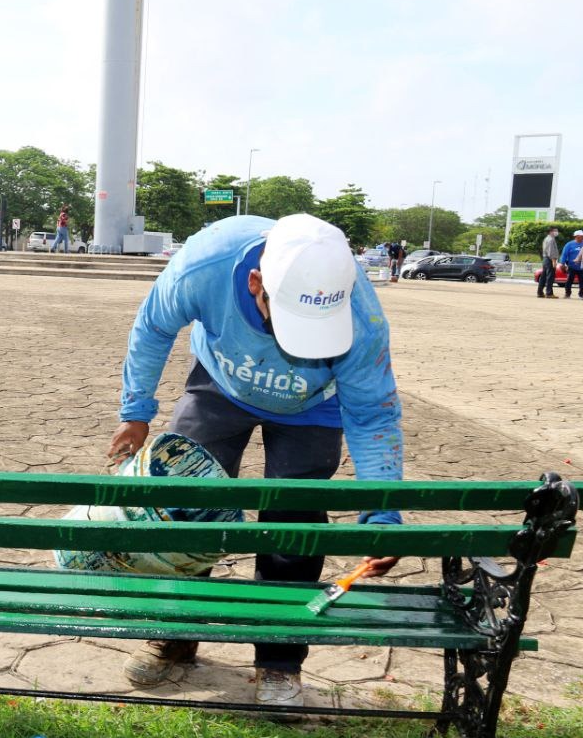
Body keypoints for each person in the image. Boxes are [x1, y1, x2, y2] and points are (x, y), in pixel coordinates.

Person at [106, 213, 403, 712]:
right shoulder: (204, 265)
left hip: (315, 406)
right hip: (220, 385)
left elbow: (373, 415)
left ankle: (279, 661)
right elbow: (153, 327)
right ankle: (173, 635)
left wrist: (381, 513)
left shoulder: (362, 316)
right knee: (185, 511)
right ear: (256, 283)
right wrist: (136, 411)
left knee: (294, 524)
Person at [561, 230, 583, 298]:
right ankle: (567, 293)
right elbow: (564, 254)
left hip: (582, 266)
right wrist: (562, 263)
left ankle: (582, 294)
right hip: (571, 266)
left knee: (582, 281)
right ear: (577, 237)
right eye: (582, 236)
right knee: (569, 280)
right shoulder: (569, 244)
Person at [537, 227, 559, 298]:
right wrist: (554, 261)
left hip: (546, 259)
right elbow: (551, 251)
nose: (556, 232)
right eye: (555, 231)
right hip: (550, 259)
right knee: (550, 276)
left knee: (543, 276)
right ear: (551, 231)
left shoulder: (547, 239)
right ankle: (549, 293)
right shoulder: (551, 239)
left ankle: (540, 292)